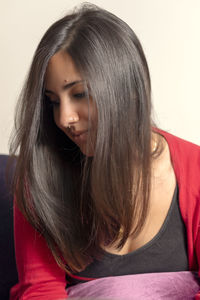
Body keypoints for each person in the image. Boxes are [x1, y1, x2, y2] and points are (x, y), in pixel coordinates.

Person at [9, 3, 200, 299]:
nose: (64, 119)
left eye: (80, 94)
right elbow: (40, 290)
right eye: (53, 101)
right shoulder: (40, 179)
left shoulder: (195, 170)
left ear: (128, 88)